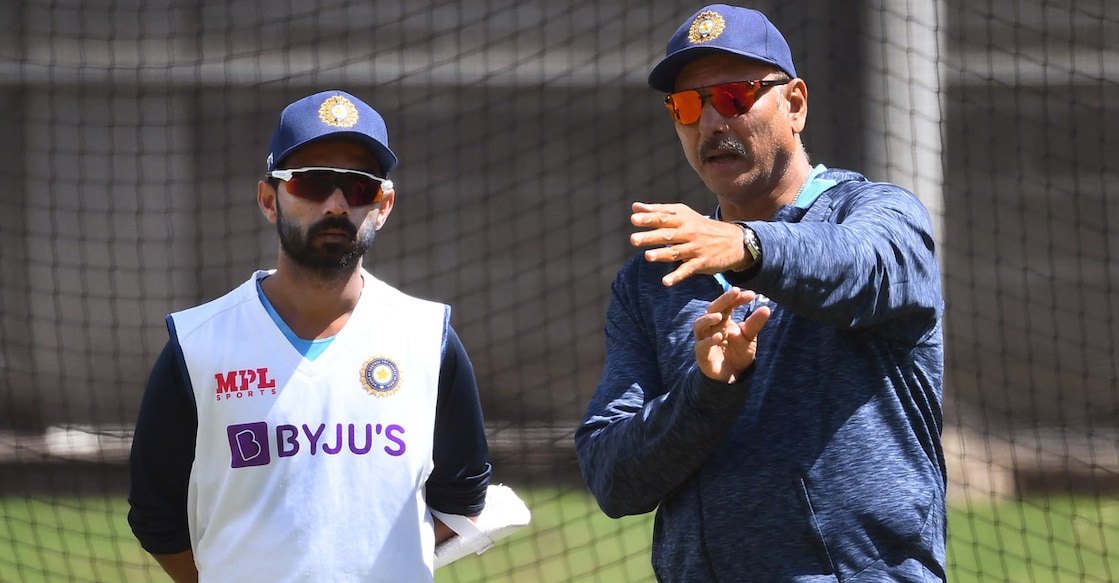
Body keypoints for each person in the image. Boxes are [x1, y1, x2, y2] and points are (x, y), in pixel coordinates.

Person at [574, 5, 946, 582]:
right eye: (688, 106)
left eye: (734, 97)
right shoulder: (655, 276)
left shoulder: (876, 214)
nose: (710, 124)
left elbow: (866, 266)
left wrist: (750, 248)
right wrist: (707, 393)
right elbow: (612, 478)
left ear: (794, 104)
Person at [127, 89, 492, 582]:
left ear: (383, 205)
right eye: (313, 183)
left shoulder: (428, 337)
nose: (337, 203)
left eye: (359, 188)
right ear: (269, 200)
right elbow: (156, 515)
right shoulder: (198, 344)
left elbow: (463, 497)